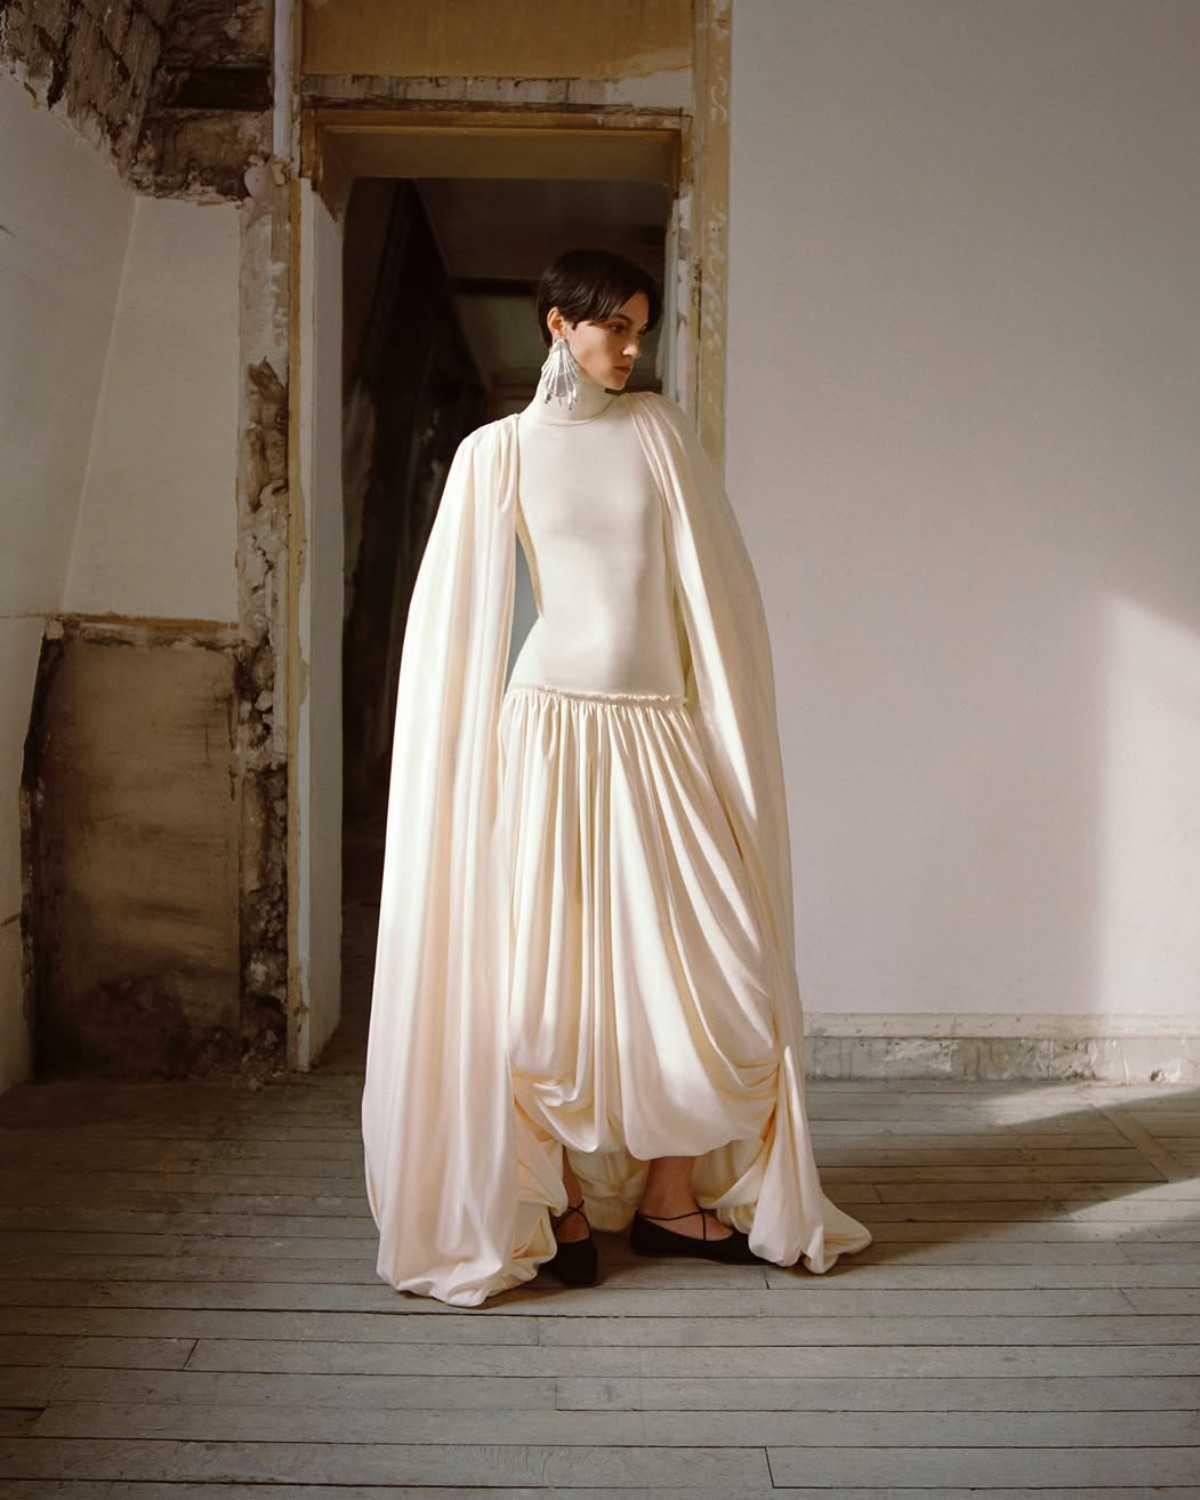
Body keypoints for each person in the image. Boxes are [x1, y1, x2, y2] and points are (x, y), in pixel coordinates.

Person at [362, 248, 871, 1307]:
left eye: (643, 328)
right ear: (559, 324)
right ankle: (547, 1204)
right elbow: (451, 626)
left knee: (708, 971)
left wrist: (721, 735)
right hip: (547, 732)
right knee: (543, 980)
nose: (634, 348)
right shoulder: (495, 453)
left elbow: (717, 594)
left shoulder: (657, 432)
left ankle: (668, 1197)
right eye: (617, 328)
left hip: (659, 733)